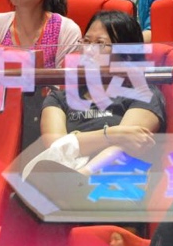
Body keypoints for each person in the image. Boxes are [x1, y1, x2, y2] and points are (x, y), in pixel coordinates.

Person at [35, 10, 165, 159]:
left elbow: (125, 148)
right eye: (86, 41)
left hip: (111, 172)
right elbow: (56, 149)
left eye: (100, 44)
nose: (89, 50)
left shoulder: (143, 94)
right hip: (60, 170)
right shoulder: (58, 99)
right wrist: (111, 134)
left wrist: (83, 170)